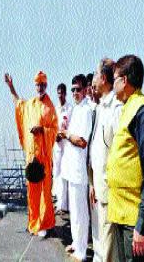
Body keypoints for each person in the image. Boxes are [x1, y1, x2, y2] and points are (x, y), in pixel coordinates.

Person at [106, 54, 144, 262]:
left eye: (115, 78)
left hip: (134, 219)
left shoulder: (142, 112)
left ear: (124, 80)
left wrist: (141, 225)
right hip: (121, 213)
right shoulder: (128, 108)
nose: (112, 83)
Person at [4, 71, 58, 237]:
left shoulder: (50, 107)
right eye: (38, 85)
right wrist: (11, 86)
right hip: (31, 157)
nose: (40, 87)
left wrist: (42, 130)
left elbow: (55, 130)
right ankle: (34, 221)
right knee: (32, 192)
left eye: (42, 85)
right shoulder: (31, 104)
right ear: (35, 86)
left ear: (46, 85)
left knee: (44, 193)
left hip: (43, 156)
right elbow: (18, 104)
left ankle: (44, 223)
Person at [88, 58, 122, 262]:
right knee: (99, 243)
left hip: (109, 190)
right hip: (98, 188)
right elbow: (96, 149)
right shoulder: (101, 107)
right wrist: (92, 182)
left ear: (103, 78)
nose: (92, 79)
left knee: (108, 248)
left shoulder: (116, 108)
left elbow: (118, 152)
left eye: (95, 74)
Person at [59, 74, 93, 262]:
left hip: (79, 171)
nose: (74, 93)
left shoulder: (86, 111)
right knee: (74, 210)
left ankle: (81, 251)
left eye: (77, 89)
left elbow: (81, 141)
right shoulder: (76, 109)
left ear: (85, 89)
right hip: (71, 169)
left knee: (80, 211)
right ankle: (76, 242)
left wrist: (67, 134)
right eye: (72, 89)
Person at [53, 83, 72, 214]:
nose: (60, 95)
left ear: (65, 93)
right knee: (57, 173)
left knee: (66, 174)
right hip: (57, 146)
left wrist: (63, 135)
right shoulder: (55, 109)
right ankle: (60, 203)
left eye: (62, 93)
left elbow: (71, 125)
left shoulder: (70, 108)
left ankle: (66, 204)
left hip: (67, 145)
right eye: (58, 93)